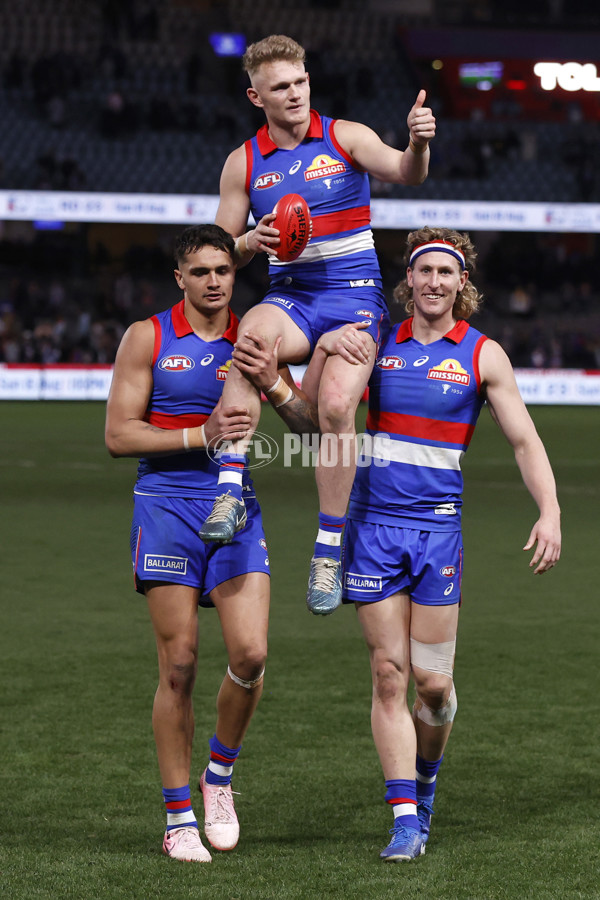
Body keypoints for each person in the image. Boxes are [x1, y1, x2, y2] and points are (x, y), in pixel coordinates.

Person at [323, 226, 560, 862]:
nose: (432, 282)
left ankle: (426, 784)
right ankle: (405, 815)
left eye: (444, 273)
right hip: (371, 529)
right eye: (423, 271)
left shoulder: (483, 355)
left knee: (432, 684)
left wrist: (551, 511)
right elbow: (326, 415)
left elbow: (524, 441)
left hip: (437, 535)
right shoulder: (375, 344)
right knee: (388, 673)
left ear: (463, 283)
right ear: (407, 280)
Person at [198, 33, 436, 617]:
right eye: (281, 87)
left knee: (333, 409)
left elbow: (408, 173)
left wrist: (418, 143)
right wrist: (250, 240)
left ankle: (328, 548)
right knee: (249, 333)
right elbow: (220, 249)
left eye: (301, 81)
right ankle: (229, 488)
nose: (296, 94)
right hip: (295, 298)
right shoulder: (244, 163)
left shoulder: (345, 137)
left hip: (355, 299)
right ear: (257, 97)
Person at [105, 224, 278, 864]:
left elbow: (312, 422)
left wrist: (280, 384)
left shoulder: (257, 336)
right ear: (180, 277)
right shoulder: (148, 336)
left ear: (236, 277)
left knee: (252, 654)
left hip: (235, 506)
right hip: (166, 506)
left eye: (223, 271)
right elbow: (120, 436)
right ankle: (179, 818)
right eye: (200, 271)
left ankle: (220, 777)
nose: (213, 281)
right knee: (178, 666)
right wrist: (198, 435)